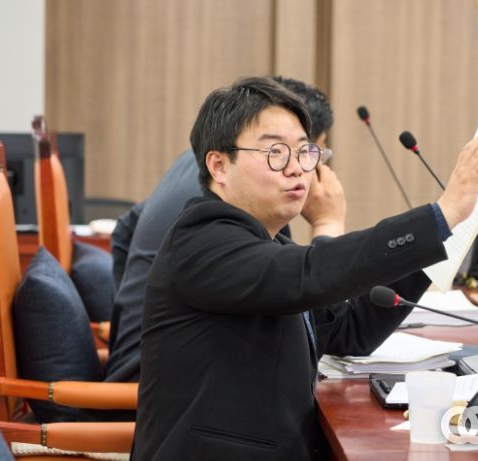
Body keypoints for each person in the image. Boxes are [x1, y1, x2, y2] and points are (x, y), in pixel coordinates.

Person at [131, 76, 478, 460]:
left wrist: (439, 240)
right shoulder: (202, 239)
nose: (297, 169)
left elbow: (350, 332)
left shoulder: (270, 243)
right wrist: (437, 218)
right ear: (219, 166)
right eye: (276, 152)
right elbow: (310, 274)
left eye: (304, 152)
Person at [105, 77, 342, 383]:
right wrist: (327, 223)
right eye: (314, 152)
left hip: (137, 358)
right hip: (162, 381)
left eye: (309, 153)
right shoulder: (235, 200)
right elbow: (302, 287)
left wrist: (135, 306)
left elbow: (124, 229)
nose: (305, 168)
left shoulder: (200, 164)